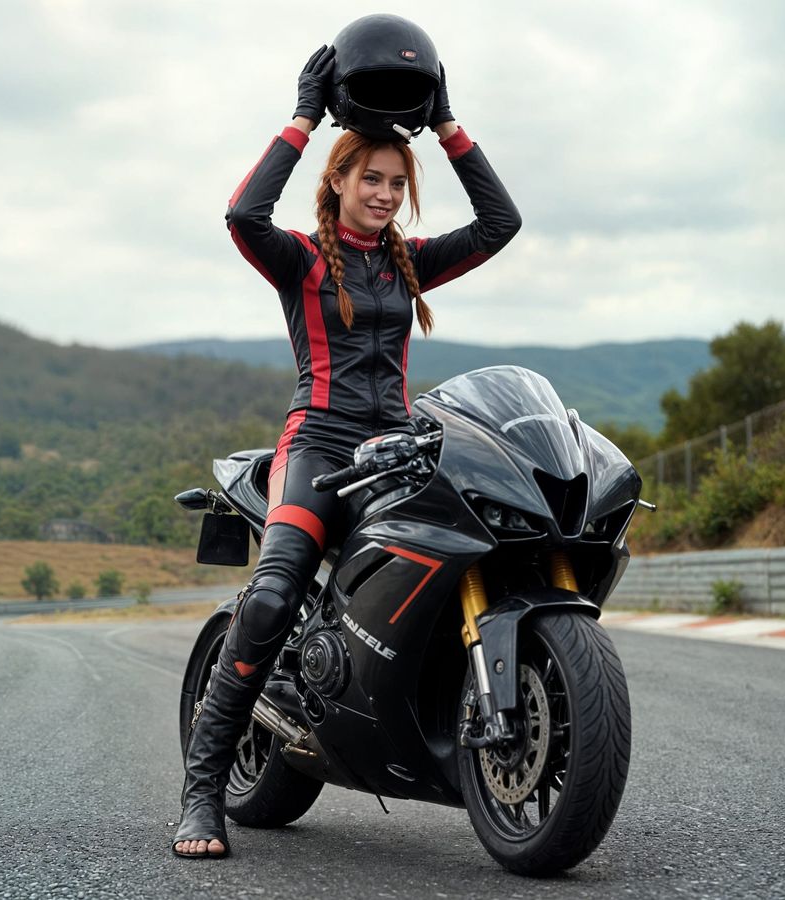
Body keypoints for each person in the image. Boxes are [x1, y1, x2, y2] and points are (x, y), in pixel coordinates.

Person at [171, 43, 520, 859]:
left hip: (396, 452)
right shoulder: (298, 259)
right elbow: (241, 217)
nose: (386, 195)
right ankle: (200, 795)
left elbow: (501, 224)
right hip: (319, 446)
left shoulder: (411, 266)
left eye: (398, 184)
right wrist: (301, 116)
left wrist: (445, 123)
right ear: (338, 182)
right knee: (267, 602)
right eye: (371, 179)